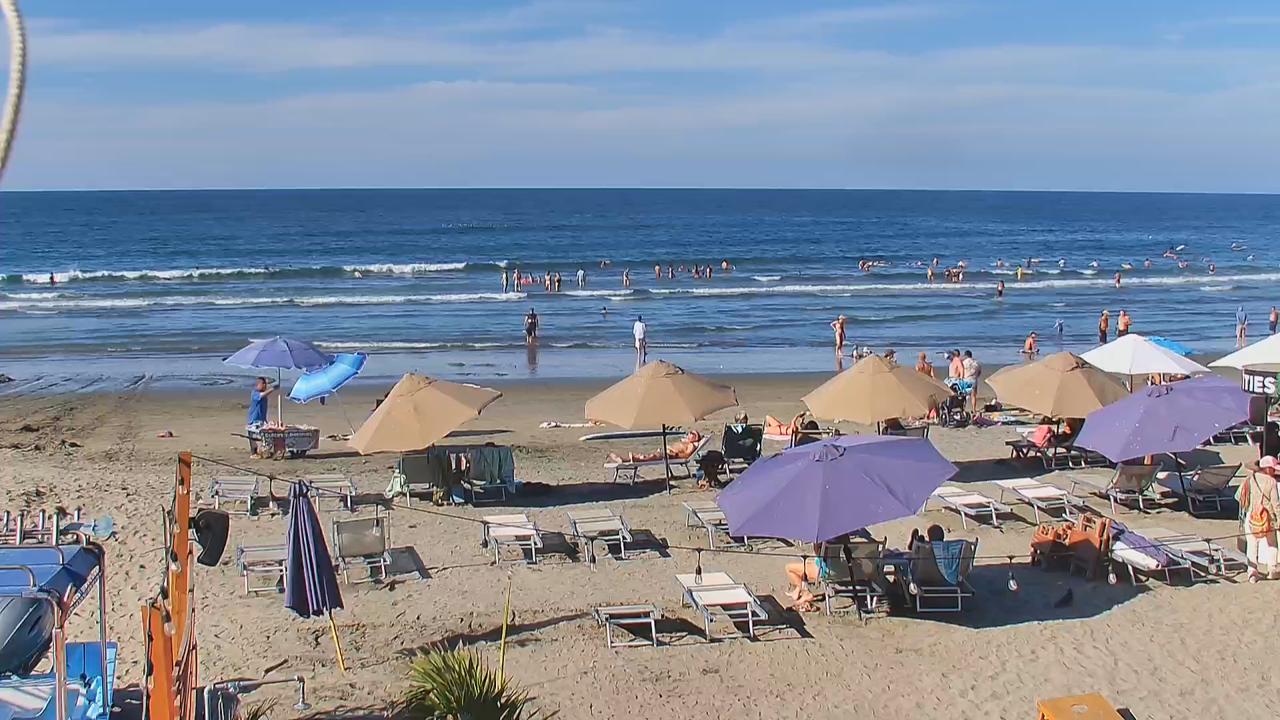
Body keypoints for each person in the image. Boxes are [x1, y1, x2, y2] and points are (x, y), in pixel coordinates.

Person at [1239, 456, 1280, 582]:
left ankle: (1252, 572)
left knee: (1252, 545)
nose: (1274, 471)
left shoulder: (1250, 479)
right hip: (1268, 517)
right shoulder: (1271, 482)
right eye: (1273, 469)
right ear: (1267, 468)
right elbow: (1276, 504)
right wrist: (1279, 519)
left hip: (1252, 515)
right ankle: (1272, 570)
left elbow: (1241, 497)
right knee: (1272, 544)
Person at [606, 430, 702, 464]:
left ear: (696, 438)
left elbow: (687, 455)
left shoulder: (691, 445)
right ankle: (626, 459)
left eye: (693, 433)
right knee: (650, 455)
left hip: (670, 455)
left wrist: (674, 454)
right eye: (690, 432)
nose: (689, 434)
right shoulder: (685, 442)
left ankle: (632, 459)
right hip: (667, 452)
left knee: (652, 456)